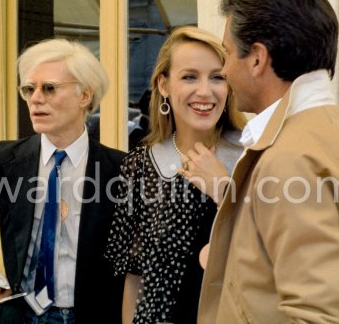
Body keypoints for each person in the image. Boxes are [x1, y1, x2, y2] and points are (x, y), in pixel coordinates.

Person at [190, 0, 339, 323]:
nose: (224, 68)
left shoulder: (291, 157)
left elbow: (329, 315)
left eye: (228, 53)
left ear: (257, 59)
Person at [0, 39, 125, 324]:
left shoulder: (121, 168)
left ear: (84, 96)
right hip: (24, 315)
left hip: (96, 315)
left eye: (50, 88)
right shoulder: (4, 159)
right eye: (29, 89)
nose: (36, 99)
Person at [105, 26, 246, 324]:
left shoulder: (252, 156)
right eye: (189, 76)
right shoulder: (140, 166)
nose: (205, 91)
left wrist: (222, 189)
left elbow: (271, 247)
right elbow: (134, 276)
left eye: (218, 77)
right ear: (164, 85)